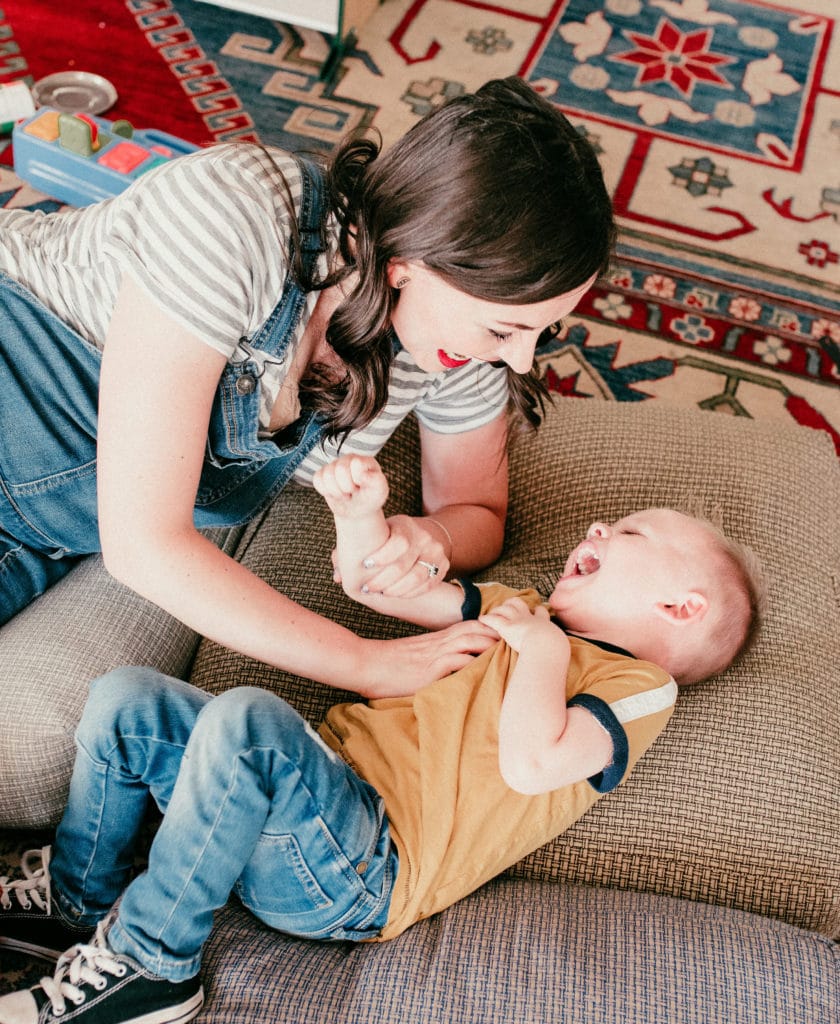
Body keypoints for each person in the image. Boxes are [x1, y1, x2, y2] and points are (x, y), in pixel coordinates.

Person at [0, 454, 764, 1024]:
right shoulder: (521, 609)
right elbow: (373, 585)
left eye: (629, 532)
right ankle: (79, 892)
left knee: (248, 725)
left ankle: (149, 967)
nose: (598, 526)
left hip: (361, 870)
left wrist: (542, 652)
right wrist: (360, 512)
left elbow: (535, 765)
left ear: (680, 607)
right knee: (126, 698)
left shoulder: (638, 689)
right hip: (301, 805)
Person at [0, 76, 614, 696]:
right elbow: (142, 543)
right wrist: (365, 663)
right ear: (410, 263)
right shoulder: (232, 213)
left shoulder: (455, 347)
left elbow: (479, 513)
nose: (521, 361)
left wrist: (429, 538)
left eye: (544, 328)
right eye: (506, 328)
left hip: (34, 532)